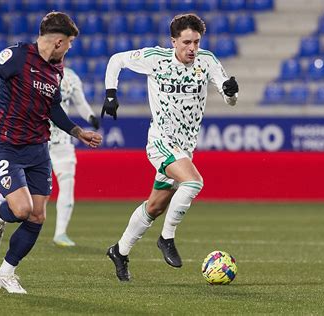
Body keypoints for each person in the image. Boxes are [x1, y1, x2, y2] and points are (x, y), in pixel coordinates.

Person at [0, 12, 102, 294]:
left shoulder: (58, 69)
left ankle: (6, 273)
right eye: (69, 43)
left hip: (38, 149)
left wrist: (78, 132)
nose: (69, 48)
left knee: (37, 216)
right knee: (21, 210)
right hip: (6, 145)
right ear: (58, 41)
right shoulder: (18, 56)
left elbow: (54, 108)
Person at [101, 13, 239, 281]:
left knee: (155, 207)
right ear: (173, 41)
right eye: (187, 42)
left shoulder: (207, 61)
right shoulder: (157, 59)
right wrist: (111, 93)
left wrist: (232, 92)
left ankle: (119, 250)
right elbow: (116, 60)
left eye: (196, 42)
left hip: (185, 147)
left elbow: (229, 98)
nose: (192, 48)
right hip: (161, 142)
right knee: (193, 182)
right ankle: (166, 238)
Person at [50, 67, 99, 247]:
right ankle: (6, 218)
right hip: (36, 138)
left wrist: (91, 117)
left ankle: (60, 233)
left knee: (67, 183)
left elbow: (80, 103)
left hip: (62, 139)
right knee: (32, 188)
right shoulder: (34, 70)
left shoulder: (70, 76)